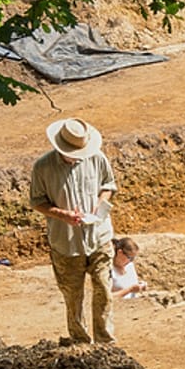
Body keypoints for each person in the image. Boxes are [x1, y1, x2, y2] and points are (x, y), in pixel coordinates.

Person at [30, 118, 118, 344]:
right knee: (73, 296)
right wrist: (62, 215)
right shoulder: (43, 168)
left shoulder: (97, 158)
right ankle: (80, 343)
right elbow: (37, 201)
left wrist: (100, 202)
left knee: (104, 290)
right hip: (66, 243)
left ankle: (105, 342)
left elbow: (108, 185)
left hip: (99, 237)